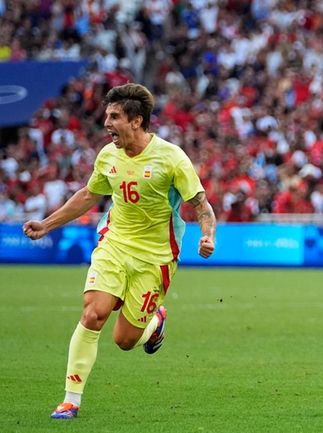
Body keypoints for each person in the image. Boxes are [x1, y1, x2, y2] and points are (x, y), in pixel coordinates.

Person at [22, 83, 217, 419]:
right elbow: (88, 195)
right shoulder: (108, 155)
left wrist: (208, 236)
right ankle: (71, 400)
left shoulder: (171, 158)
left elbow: (201, 205)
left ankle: (155, 323)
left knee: (124, 340)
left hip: (155, 258)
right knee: (92, 313)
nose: (107, 123)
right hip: (114, 244)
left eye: (114, 116)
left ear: (137, 121)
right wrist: (48, 224)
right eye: (106, 116)